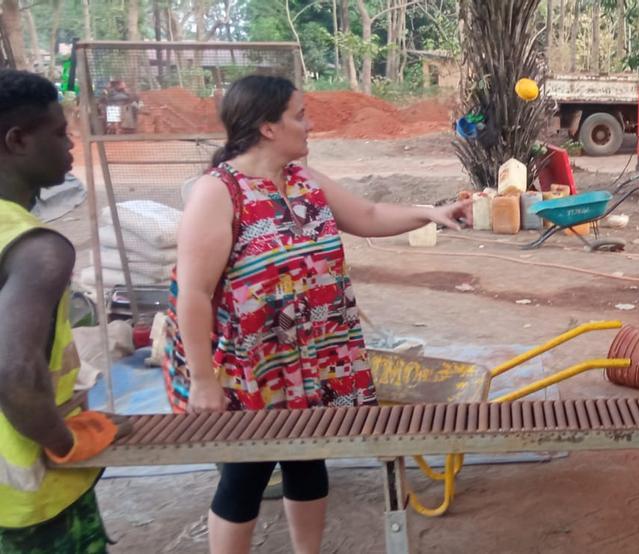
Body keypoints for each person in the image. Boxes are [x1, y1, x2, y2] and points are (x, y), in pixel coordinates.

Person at [163, 75, 470, 553]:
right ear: (267, 126)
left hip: (314, 359)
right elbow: (195, 294)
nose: (310, 124)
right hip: (254, 369)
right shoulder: (219, 192)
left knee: (308, 460)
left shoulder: (304, 181)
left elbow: (366, 215)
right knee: (246, 474)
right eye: (299, 115)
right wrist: (204, 380)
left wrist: (431, 212)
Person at [0, 69, 131, 552]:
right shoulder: (36, 248)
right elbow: (14, 370)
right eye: (58, 133)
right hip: (27, 506)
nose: (71, 143)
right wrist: (65, 441)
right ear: (17, 140)